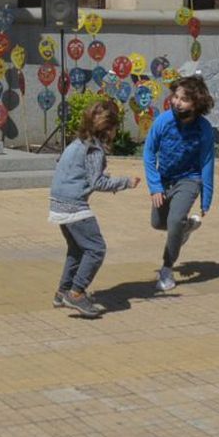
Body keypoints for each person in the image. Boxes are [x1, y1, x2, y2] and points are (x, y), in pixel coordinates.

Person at [48, 99, 140, 318]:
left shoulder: (78, 142)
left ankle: (62, 292)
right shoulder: (94, 149)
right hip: (74, 206)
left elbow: (76, 171)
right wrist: (125, 182)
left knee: (77, 250)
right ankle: (77, 293)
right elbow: (97, 182)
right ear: (109, 128)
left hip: (58, 203)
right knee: (96, 249)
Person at [143, 75, 215, 293]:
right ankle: (184, 229)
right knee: (158, 223)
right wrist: (155, 186)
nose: (176, 102)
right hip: (164, 180)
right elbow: (148, 153)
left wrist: (207, 196)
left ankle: (167, 269)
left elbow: (207, 162)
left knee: (174, 221)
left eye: (183, 99)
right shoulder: (163, 121)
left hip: (189, 179)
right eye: (176, 96)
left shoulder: (204, 129)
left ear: (196, 103)